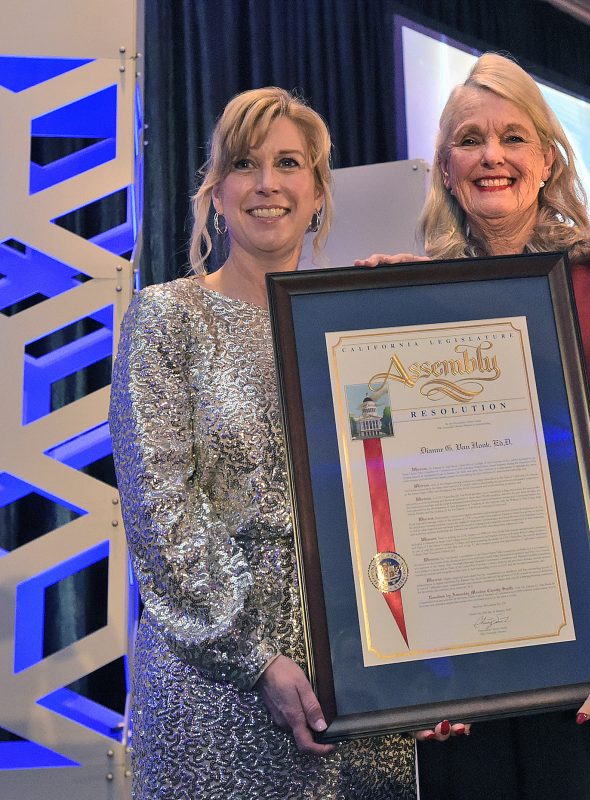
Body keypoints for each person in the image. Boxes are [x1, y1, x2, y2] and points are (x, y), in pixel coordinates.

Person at [358, 52, 590, 800]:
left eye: (513, 137)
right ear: (445, 169)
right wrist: (366, 328)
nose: (491, 156)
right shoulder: (408, 299)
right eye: (469, 140)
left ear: (548, 159)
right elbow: (377, 468)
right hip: (470, 657)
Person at [109, 87, 419, 799]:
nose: (267, 184)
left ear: (319, 193)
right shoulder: (167, 318)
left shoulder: (356, 328)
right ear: (217, 193)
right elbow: (160, 513)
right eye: (245, 164)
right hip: (213, 683)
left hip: (358, 670)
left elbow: (389, 486)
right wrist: (254, 657)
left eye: (289, 163)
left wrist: (423, 654)